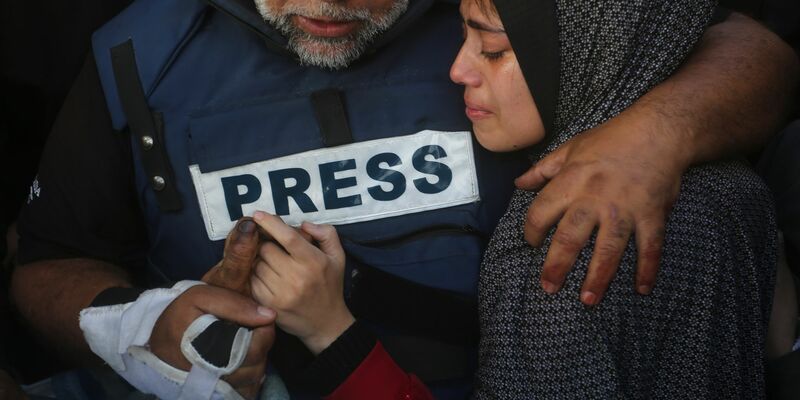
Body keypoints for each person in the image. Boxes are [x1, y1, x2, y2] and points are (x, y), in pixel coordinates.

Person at [9, 0, 798, 399]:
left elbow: (728, 37)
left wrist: (659, 132)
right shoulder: (138, 52)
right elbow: (45, 265)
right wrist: (139, 327)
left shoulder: (500, 17)